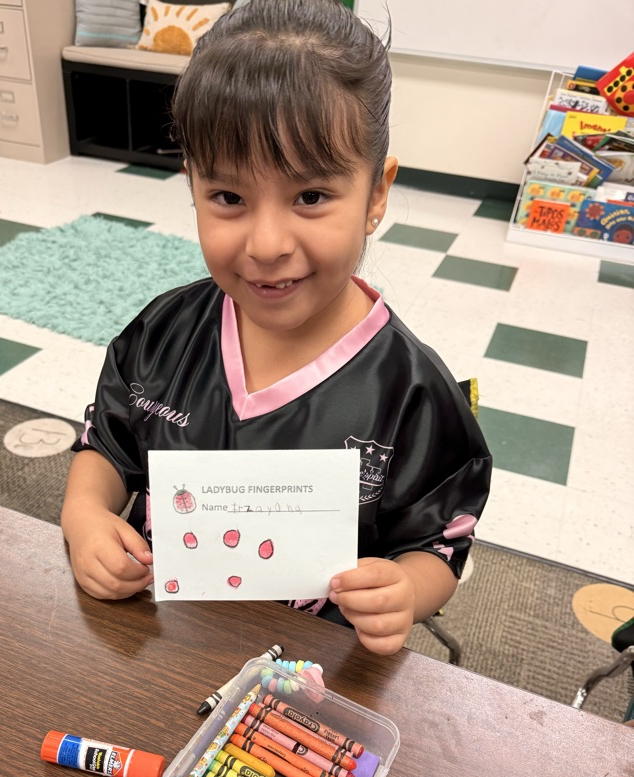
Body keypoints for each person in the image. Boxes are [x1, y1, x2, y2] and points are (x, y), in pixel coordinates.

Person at [61, 0, 492, 655]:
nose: (266, 244)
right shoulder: (163, 333)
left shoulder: (411, 391)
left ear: (377, 192)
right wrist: (85, 514)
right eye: (229, 198)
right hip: (157, 640)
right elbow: (107, 448)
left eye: (311, 197)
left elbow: (436, 543)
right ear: (193, 183)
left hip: (312, 674)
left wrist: (405, 590)